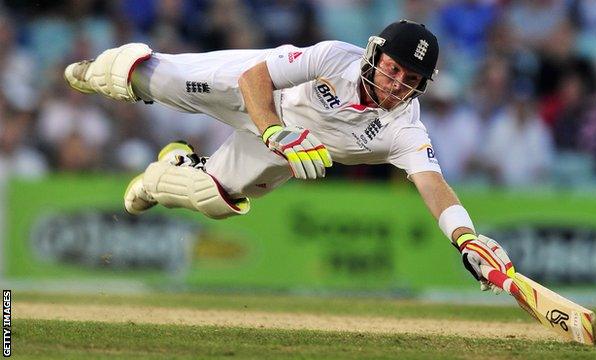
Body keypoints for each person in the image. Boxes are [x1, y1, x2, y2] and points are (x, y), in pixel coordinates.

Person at [64, 20, 514, 292]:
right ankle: (89, 69)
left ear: (422, 85)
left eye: (409, 78)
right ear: (376, 55)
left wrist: (466, 238)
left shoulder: (406, 127)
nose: (396, 83)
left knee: (213, 199)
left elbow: (432, 183)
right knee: (144, 78)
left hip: (279, 148)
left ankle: (166, 172)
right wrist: (274, 131)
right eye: (393, 68)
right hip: (252, 93)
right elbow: (255, 77)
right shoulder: (335, 57)